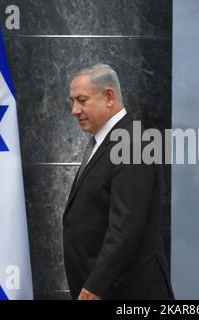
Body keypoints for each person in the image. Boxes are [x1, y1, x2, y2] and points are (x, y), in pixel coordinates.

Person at [63, 63, 173, 300]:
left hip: (128, 290)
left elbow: (126, 224)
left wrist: (96, 284)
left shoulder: (133, 142)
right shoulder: (108, 141)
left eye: (82, 100)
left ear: (109, 97)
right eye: (72, 101)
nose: (74, 110)